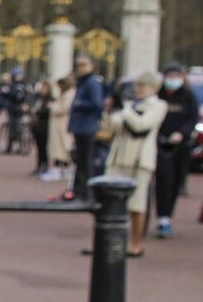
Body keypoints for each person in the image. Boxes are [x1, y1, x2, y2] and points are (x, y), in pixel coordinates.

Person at [104, 70, 166, 256]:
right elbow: (111, 125)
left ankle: (136, 243)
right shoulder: (129, 105)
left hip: (140, 160)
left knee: (137, 204)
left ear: (153, 88)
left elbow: (142, 125)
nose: (138, 89)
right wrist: (112, 110)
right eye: (137, 86)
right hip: (119, 157)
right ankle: (110, 240)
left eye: (142, 86)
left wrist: (126, 112)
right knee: (110, 201)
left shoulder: (158, 106)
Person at [153, 63, 199, 238]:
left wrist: (182, 133)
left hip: (181, 146)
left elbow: (193, 117)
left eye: (176, 76)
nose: (173, 80)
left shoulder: (188, 96)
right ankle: (162, 217)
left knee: (176, 182)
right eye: (170, 76)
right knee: (164, 180)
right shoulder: (159, 96)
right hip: (161, 145)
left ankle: (169, 215)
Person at [65, 53, 107, 202]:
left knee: (86, 162)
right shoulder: (83, 82)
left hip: (87, 127)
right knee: (80, 161)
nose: (80, 68)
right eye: (78, 65)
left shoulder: (92, 82)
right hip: (81, 127)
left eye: (83, 65)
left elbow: (97, 105)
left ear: (91, 66)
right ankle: (78, 191)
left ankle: (87, 194)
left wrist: (79, 104)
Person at [48, 72, 75, 182]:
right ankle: (59, 168)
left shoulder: (69, 94)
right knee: (59, 147)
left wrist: (53, 106)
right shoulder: (65, 93)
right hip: (59, 124)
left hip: (63, 124)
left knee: (63, 147)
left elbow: (64, 108)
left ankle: (62, 169)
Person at [29, 78, 52, 177]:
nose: (42, 89)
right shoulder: (38, 98)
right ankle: (39, 166)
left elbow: (47, 110)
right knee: (39, 147)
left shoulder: (50, 99)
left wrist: (38, 111)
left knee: (44, 147)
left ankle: (45, 165)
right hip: (37, 127)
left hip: (45, 126)